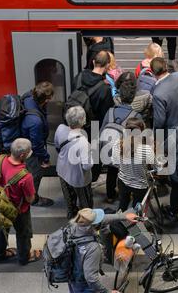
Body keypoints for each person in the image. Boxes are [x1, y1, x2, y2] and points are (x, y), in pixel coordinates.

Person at [66, 207, 138, 293]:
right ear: (94, 226)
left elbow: (103, 219)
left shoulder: (74, 226)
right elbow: (91, 278)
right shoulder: (92, 248)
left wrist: (124, 217)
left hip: (71, 272)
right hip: (82, 280)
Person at [0, 138, 41, 264]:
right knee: (23, 234)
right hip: (19, 210)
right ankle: (24, 257)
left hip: (0, 204)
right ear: (23, 155)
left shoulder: (0, 159)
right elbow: (30, 199)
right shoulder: (25, 176)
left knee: (1, 230)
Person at [100, 72, 142, 203]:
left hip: (107, 150)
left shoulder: (110, 111)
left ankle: (110, 195)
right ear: (133, 97)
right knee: (124, 173)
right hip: (123, 153)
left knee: (111, 172)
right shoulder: (136, 116)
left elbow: (101, 131)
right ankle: (124, 196)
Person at [54, 106, 93, 220]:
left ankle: (71, 216)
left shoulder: (60, 128)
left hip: (62, 170)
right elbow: (87, 166)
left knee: (69, 199)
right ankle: (86, 221)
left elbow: (57, 147)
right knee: (85, 202)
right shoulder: (83, 139)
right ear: (83, 120)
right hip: (78, 178)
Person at [21, 81, 54, 207]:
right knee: (35, 174)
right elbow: (36, 145)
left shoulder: (29, 97)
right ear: (47, 99)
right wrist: (45, 158)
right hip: (30, 151)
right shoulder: (35, 122)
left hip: (24, 139)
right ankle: (33, 199)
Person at [112, 118, 156, 211]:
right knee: (136, 210)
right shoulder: (146, 149)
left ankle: (119, 222)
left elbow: (115, 163)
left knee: (122, 205)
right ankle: (134, 224)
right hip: (140, 185)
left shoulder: (117, 144)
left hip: (122, 181)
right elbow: (153, 166)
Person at [76, 50, 114, 126]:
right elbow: (107, 115)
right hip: (94, 127)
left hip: (76, 122)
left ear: (93, 62)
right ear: (107, 65)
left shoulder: (79, 77)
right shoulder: (105, 89)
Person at [151, 57, 178, 135]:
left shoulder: (158, 94)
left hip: (169, 132)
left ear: (153, 73)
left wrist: (155, 136)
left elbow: (159, 121)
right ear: (166, 66)